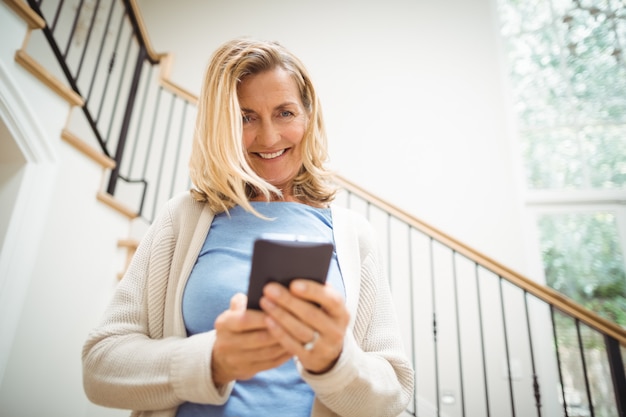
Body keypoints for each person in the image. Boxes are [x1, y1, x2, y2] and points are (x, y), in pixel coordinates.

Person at [82, 37, 414, 417]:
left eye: (285, 113)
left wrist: (334, 361)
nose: (269, 137)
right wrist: (214, 361)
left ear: (308, 116)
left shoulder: (354, 236)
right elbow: (100, 367)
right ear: (221, 126)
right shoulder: (184, 218)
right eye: (246, 117)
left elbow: (394, 394)